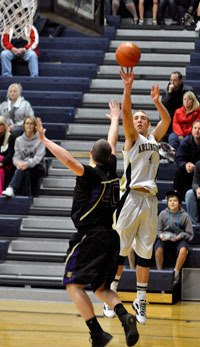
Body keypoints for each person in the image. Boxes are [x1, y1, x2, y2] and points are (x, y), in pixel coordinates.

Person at [36, 102, 139, 347]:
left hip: (91, 237)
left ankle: (97, 333)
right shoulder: (113, 169)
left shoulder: (90, 175)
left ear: (91, 154)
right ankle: (125, 318)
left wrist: (45, 141)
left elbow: (70, 160)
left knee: (72, 284)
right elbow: (111, 144)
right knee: (102, 289)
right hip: (111, 238)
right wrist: (114, 119)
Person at [106, 68, 171, 325]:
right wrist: (128, 88)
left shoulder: (154, 139)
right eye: (138, 117)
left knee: (144, 253)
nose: (141, 119)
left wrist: (157, 102)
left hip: (151, 200)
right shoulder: (131, 138)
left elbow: (165, 121)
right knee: (121, 251)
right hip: (131, 198)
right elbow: (125, 115)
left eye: (144, 117)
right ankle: (111, 293)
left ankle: (140, 299)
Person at [154, 190, 193, 285]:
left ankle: (176, 272)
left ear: (179, 203)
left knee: (183, 250)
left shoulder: (185, 216)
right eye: (170, 200)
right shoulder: (162, 214)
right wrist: (161, 236)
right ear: (167, 202)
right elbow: (158, 230)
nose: (172, 202)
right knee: (158, 248)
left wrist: (181, 236)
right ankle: (159, 272)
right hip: (165, 239)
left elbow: (190, 233)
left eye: (175, 200)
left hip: (179, 239)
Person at [2, 115, 46, 197]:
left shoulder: (41, 139)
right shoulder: (18, 140)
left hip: (38, 166)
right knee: (24, 172)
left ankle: (11, 188)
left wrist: (27, 164)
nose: (29, 125)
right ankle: (27, 199)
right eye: (27, 123)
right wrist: (18, 163)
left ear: (35, 126)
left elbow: (38, 158)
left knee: (24, 170)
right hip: (23, 167)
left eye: (31, 123)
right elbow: (16, 157)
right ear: (24, 126)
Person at [161, 71, 196, 139]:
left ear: (180, 81)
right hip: (171, 119)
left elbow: (196, 104)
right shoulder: (166, 91)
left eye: (175, 80)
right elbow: (163, 106)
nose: (172, 82)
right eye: (171, 80)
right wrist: (169, 93)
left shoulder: (188, 90)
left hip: (186, 119)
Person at [173, 120, 200, 200]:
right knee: (179, 171)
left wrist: (197, 167)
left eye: (199, 128)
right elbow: (178, 158)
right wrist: (185, 165)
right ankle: (175, 195)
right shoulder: (185, 142)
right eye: (195, 128)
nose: (197, 130)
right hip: (189, 171)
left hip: (199, 172)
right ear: (191, 130)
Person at [0, 116, 15, 195]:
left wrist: (2, 163)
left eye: (1, 124)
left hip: (6, 164)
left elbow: (10, 154)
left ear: (5, 125)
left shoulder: (10, 137)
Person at [185, 160, 200, 224]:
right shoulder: (199, 164)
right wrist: (197, 189)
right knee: (189, 194)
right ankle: (194, 224)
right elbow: (195, 182)